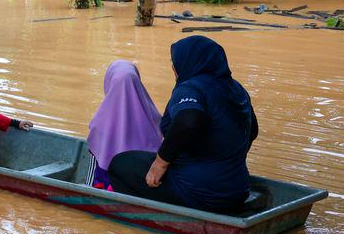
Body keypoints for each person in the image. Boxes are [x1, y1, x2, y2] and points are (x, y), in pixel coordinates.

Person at [108, 36, 258, 213]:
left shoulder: (191, 88)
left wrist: (160, 163)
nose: (173, 67)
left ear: (188, 61)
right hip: (237, 191)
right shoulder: (237, 89)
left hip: (198, 192)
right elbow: (252, 130)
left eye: (175, 61)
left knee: (119, 164)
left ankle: (145, 219)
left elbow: (188, 121)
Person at [86, 60, 162, 190]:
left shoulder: (99, 126)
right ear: (137, 83)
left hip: (107, 187)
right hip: (143, 189)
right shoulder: (156, 120)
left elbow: (93, 172)